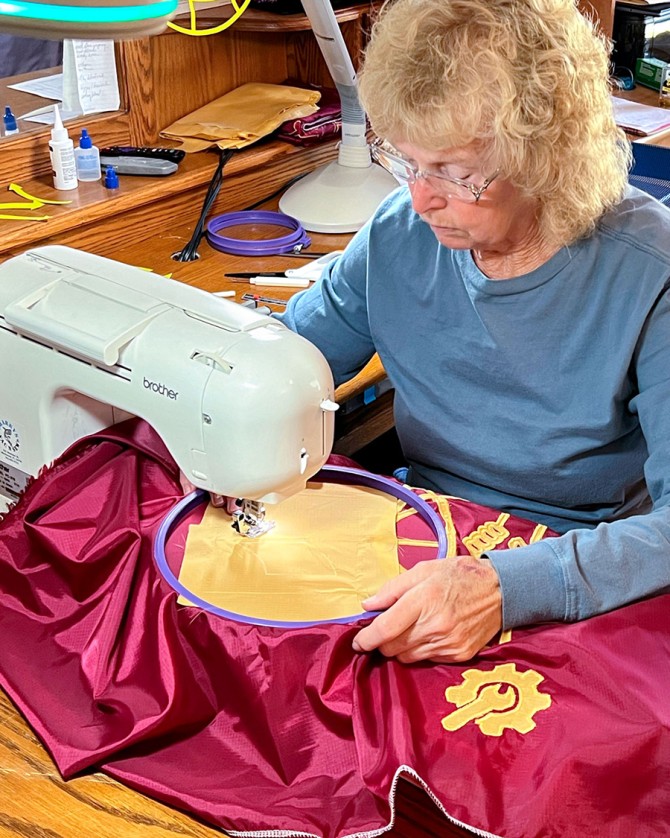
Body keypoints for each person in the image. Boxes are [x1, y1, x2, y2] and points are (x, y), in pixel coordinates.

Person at [278, 0, 670, 664]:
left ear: (547, 156)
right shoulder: (398, 232)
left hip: (578, 569)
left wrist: (506, 590)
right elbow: (290, 361)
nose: (421, 197)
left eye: (457, 174)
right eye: (405, 161)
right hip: (427, 533)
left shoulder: (649, 272)